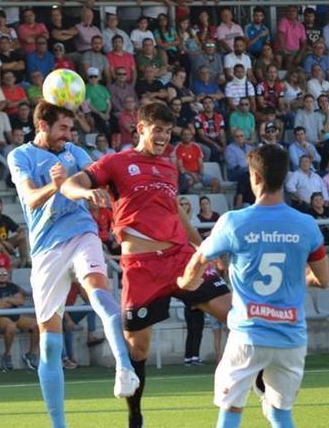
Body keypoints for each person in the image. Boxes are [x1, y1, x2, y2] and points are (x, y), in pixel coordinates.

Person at [61, 103, 230, 428]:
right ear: (141, 129)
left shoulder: (169, 168)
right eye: (158, 130)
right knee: (138, 349)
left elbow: (177, 213)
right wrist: (85, 195)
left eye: (168, 131)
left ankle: (258, 384)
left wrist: (202, 247)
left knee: (236, 315)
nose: (164, 136)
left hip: (181, 259)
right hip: (141, 266)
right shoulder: (117, 163)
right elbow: (71, 183)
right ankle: (135, 415)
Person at [7, 101, 140, 427]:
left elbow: (91, 176)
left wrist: (92, 192)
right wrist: (54, 185)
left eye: (71, 129)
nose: (68, 135)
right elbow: (29, 198)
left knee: (100, 293)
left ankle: (124, 369)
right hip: (45, 251)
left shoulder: (74, 152)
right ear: (43, 126)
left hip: (82, 234)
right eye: (63, 128)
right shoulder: (20, 156)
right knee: (50, 346)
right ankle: (59, 425)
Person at [178, 144, 329, 428]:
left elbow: (199, 258)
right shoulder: (307, 224)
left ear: (255, 178)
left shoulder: (234, 222)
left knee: (231, 408)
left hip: (248, 336)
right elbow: (323, 279)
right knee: (280, 414)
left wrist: (186, 282)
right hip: (290, 338)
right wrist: (302, 276)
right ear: (283, 178)